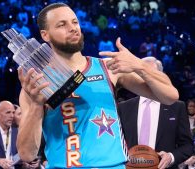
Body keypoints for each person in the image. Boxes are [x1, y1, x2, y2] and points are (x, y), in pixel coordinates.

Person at [17, 3, 179, 169]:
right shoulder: (37, 83)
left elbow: (170, 96)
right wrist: (37, 105)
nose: (72, 28)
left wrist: (140, 65)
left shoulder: (108, 68)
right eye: (62, 24)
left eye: (74, 22)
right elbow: (27, 154)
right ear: (45, 35)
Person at [118, 57, 193, 169]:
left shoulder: (177, 107)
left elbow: (188, 146)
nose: (146, 78)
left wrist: (171, 157)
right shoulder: (124, 107)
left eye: (151, 73)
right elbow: (116, 144)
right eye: (141, 73)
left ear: (161, 76)